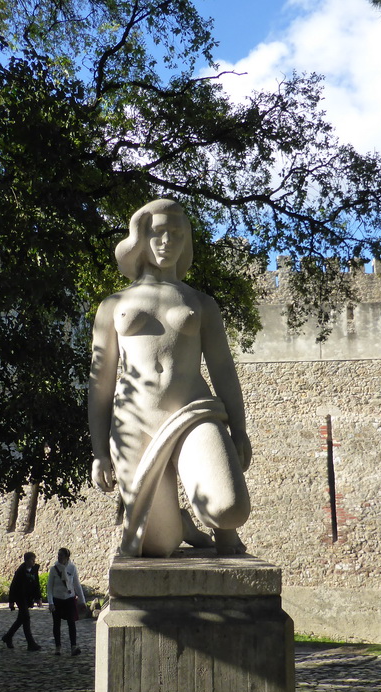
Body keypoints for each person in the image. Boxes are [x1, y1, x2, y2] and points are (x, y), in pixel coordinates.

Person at [88, 198, 252, 557]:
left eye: (176, 234)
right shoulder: (113, 305)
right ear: (142, 239)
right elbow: (101, 380)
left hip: (194, 411)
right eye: (159, 233)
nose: (167, 242)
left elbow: (223, 369)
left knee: (227, 509)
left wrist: (238, 430)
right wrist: (99, 450)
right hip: (134, 420)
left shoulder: (201, 302)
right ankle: (180, 523)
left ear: (186, 240)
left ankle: (221, 531)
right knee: (159, 545)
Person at [46, 547, 87, 656]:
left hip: (69, 599)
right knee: (56, 624)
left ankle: (73, 646)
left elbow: (77, 585)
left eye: (61, 555)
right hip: (57, 599)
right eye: (58, 555)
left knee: (71, 623)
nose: (59, 557)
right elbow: (49, 587)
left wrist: (82, 600)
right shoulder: (53, 569)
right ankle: (58, 647)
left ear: (67, 557)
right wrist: (50, 602)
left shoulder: (72, 568)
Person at [2, 552, 42, 651]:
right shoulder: (20, 571)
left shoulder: (34, 569)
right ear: (26, 560)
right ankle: (31, 643)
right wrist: (11, 601)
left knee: (21, 619)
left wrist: (38, 598)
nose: (33, 562)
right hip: (20, 597)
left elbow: (36, 584)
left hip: (28, 598)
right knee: (26, 618)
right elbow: (13, 586)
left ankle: (8, 637)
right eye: (32, 560)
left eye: (34, 559)